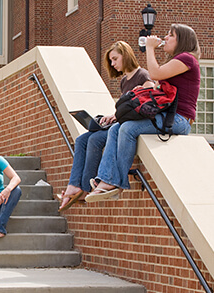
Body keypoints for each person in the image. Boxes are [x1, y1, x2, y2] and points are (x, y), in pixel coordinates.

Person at [85, 24, 200, 202]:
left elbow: (154, 73)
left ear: (182, 40)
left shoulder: (187, 59)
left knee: (128, 128)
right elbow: (162, 86)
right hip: (167, 116)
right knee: (117, 128)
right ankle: (106, 180)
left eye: (171, 35)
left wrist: (150, 47)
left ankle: (116, 182)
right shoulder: (178, 61)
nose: (166, 37)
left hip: (179, 120)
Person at [58, 41, 153, 211]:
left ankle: (84, 188)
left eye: (115, 59)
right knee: (81, 140)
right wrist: (111, 117)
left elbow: (148, 106)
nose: (113, 64)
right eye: (111, 61)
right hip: (119, 122)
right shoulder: (125, 81)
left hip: (128, 127)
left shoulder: (143, 76)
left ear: (126, 55)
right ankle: (73, 184)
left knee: (94, 139)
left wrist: (118, 116)